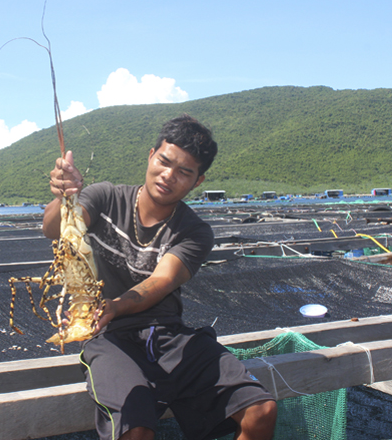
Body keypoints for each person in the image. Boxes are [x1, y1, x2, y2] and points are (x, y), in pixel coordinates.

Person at [44, 114, 277, 440]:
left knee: (261, 411)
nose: (168, 176)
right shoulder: (105, 197)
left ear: (198, 181)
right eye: (164, 162)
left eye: (184, 172)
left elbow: (160, 282)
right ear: (151, 155)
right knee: (136, 429)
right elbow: (56, 230)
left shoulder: (195, 231)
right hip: (111, 337)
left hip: (171, 336)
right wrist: (64, 197)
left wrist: (115, 304)